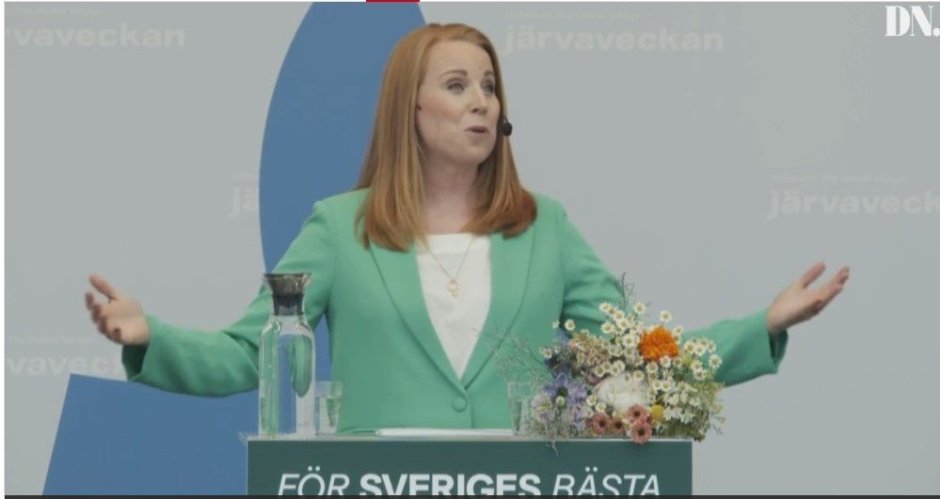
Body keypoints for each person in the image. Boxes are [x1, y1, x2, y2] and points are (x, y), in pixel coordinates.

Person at [84, 23, 849, 435]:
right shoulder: (340, 227)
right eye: (457, 85)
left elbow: (638, 360)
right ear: (410, 109)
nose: (481, 100)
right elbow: (245, 354)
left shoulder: (546, 227)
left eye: (489, 86)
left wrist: (762, 325)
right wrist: (149, 337)